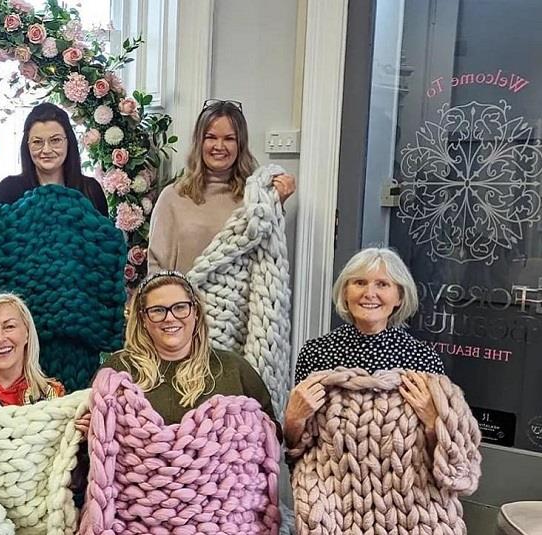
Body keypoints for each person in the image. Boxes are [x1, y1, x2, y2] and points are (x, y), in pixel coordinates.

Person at [284, 247, 446, 447]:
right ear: (345, 292)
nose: (370, 293)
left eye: (382, 284)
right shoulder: (316, 353)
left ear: (400, 297)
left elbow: (441, 452)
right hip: (331, 476)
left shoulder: (423, 360)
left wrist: (432, 420)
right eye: (360, 283)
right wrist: (294, 418)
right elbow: (295, 447)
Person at [99, 270, 279, 429]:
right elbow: (90, 444)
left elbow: (271, 433)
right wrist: (89, 428)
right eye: (157, 310)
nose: (169, 318)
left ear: (196, 312)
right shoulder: (118, 369)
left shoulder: (234, 368)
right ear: (143, 319)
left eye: (180, 308)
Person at [147, 99, 296, 274]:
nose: (219, 146)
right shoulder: (173, 197)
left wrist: (277, 202)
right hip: (186, 300)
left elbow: (266, 258)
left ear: (240, 145)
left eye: (229, 139)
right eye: (211, 137)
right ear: (199, 142)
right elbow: (156, 266)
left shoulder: (256, 197)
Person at [0, 102, 108, 216]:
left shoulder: (91, 189)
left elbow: (106, 235)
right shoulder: (8, 189)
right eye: (37, 142)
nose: (46, 150)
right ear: (27, 145)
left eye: (55, 140)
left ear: (69, 142)